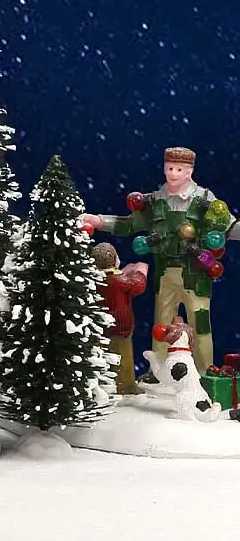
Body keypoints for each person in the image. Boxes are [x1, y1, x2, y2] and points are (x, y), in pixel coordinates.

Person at [83, 146, 239, 374]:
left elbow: (229, 227)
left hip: (196, 278)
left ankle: (205, 374)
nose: (173, 173)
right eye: (169, 168)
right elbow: (128, 224)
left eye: (179, 169)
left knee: (201, 328)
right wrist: (98, 221)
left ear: (190, 171)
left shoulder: (205, 200)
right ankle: (159, 373)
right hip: (164, 276)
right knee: (161, 326)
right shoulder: (155, 201)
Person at [91, 242, 149, 395]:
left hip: (99, 327)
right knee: (123, 356)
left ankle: (103, 384)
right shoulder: (118, 280)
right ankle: (125, 385)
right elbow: (137, 285)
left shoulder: (94, 278)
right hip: (120, 326)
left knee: (101, 355)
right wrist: (140, 270)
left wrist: (125, 271)